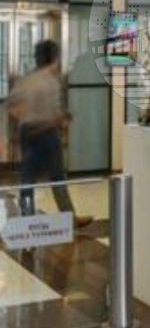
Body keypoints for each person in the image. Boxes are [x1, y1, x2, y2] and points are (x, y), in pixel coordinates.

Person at [8, 40, 91, 226]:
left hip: (26, 131)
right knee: (57, 177)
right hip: (45, 133)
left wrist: (27, 116)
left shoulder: (27, 80)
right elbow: (54, 114)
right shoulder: (51, 81)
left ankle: (26, 217)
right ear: (54, 58)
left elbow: (12, 106)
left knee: (27, 177)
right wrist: (64, 119)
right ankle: (70, 218)